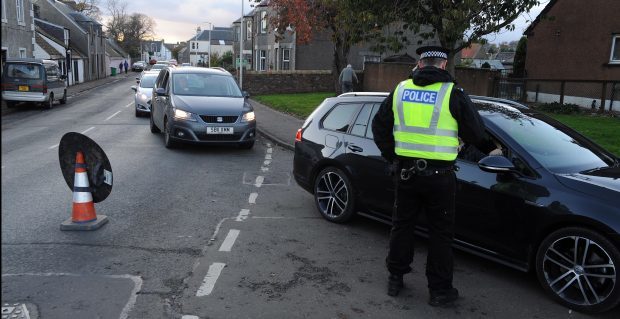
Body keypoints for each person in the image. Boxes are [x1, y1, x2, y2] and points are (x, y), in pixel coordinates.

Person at [371, 46, 500, 307]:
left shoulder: (401, 90)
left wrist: (392, 157)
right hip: (440, 179)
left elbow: (379, 126)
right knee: (440, 234)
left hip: (406, 174)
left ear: (419, 64)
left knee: (402, 226)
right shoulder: (452, 93)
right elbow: (475, 131)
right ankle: (439, 291)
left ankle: (395, 278)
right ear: (442, 66)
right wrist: (492, 149)